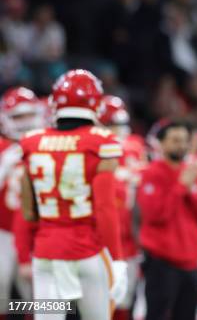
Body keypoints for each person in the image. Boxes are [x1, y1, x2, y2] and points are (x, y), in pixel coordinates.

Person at [19, 69, 128, 320]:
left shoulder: (31, 142)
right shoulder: (101, 142)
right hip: (86, 252)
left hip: (45, 252)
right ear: (96, 103)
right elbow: (104, 208)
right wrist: (118, 259)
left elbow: (28, 210)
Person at [137, 119, 197, 320]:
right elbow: (155, 215)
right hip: (161, 262)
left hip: (191, 262)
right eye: (175, 140)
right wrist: (181, 186)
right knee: (157, 315)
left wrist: (191, 190)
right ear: (161, 144)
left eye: (184, 140)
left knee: (187, 315)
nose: (181, 145)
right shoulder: (152, 173)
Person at [99, 95, 147, 320]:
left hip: (131, 233)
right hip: (105, 233)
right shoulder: (98, 148)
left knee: (126, 296)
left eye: (121, 125)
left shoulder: (135, 146)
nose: (120, 131)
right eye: (114, 125)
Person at [0, 86, 45, 318]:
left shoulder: (48, 143)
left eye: (29, 114)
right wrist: (4, 164)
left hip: (39, 231)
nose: (26, 121)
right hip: (3, 232)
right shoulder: (2, 147)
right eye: (19, 116)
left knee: (41, 300)